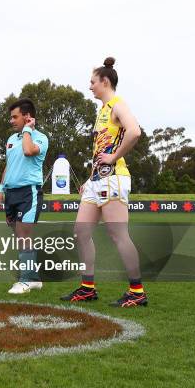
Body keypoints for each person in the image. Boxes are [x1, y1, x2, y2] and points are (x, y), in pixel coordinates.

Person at [60, 57, 147, 307]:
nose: (90, 86)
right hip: (97, 180)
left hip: (114, 178)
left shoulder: (118, 104)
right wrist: (89, 180)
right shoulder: (102, 111)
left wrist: (114, 156)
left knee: (118, 234)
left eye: (92, 82)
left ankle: (137, 291)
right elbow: (100, 150)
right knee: (81, 231)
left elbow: (135, 131)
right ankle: (87, 288)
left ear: (105, 81)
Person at [0, 99, 49, 294]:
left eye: (15, 117)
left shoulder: (41, 138)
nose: (11, 121)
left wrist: (27, 130)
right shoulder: (11, 139)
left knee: (24, 235)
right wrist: (1, 188)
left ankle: (26, 280)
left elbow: (28, 151)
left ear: (27, 117)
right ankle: (33, 277)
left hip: (29, 192)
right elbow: (9, 166)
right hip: (11, 193)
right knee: (19, 236)